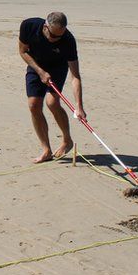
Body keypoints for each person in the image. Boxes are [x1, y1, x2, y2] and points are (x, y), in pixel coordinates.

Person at [18, 12, 84, 163]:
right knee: (34, 105)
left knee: (52, 102)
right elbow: (22, 51)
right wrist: (40, 72)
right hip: (36, 65)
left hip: (57, 68)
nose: (57, 39)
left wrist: (78, 106)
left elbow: (75, 76)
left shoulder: (68, 40)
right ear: (45, 27)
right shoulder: (29, 26)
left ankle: (67, 140)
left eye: (60, 36)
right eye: (54, 36)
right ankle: (46, 150)